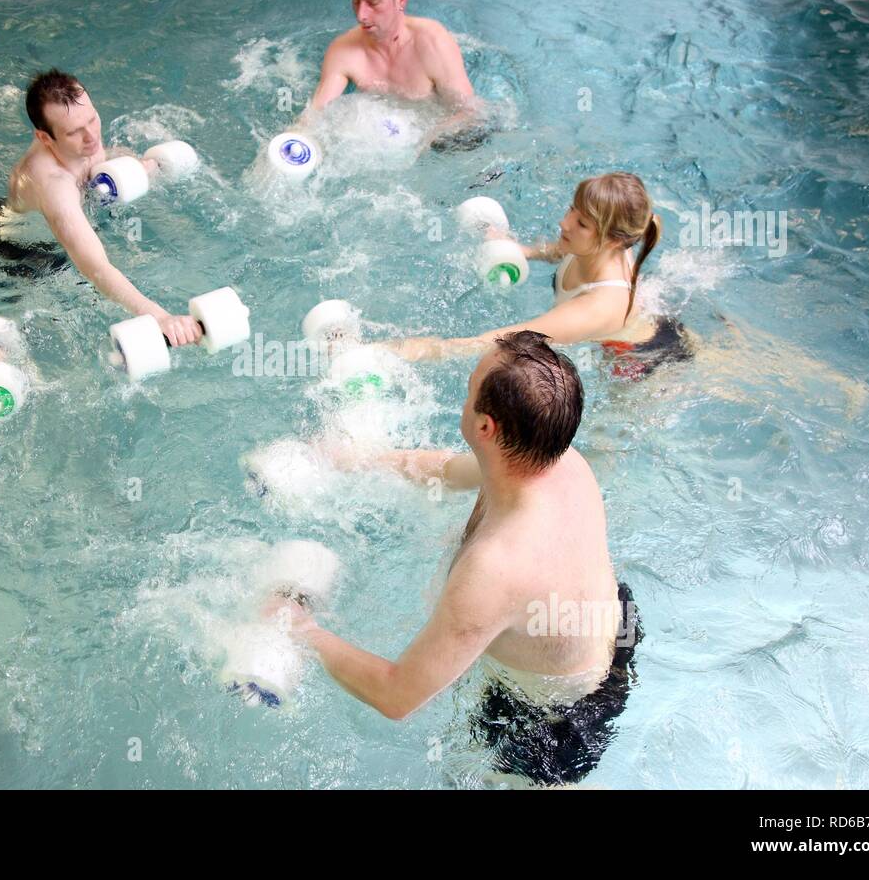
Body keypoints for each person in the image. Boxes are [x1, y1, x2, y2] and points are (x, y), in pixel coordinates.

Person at [274, 331, 642, 786]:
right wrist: (357, 459)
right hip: (612, 627)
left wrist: (300, 628)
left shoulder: (495, 569)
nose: (464, 397)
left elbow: (397, 695)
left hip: (553, 722)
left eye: (469, 389)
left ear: (485, 427)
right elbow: (450, 470)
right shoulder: (558, 458)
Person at [388, 171, 691, 380]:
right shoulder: (597, 245)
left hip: (643, 363)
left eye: (581, 223)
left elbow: (503, 342)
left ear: (613, 241)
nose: (564, 223)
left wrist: (411, 351)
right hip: (650, 325)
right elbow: (559, 250)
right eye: (572, 209)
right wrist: (522, 250)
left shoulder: (597, 306)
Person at [0, 70, 202, 346]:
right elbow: (97, 270)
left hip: (73, 215)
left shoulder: (80, 132)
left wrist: (143, 167)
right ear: (45, 138)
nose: (92, 137)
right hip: (30, 253)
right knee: (74, 314)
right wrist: (161, 318)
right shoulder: (54, 187)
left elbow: (97, 165)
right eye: (74, 132)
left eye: (92, 119)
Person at [305, 0, 480, 147]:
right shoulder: (343, 51)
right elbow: (315, 116)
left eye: (373, 3)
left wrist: (425, 144)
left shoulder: (433, 43)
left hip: (430, 130)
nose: (361, 15)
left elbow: (469, 112)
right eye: (356, 2)